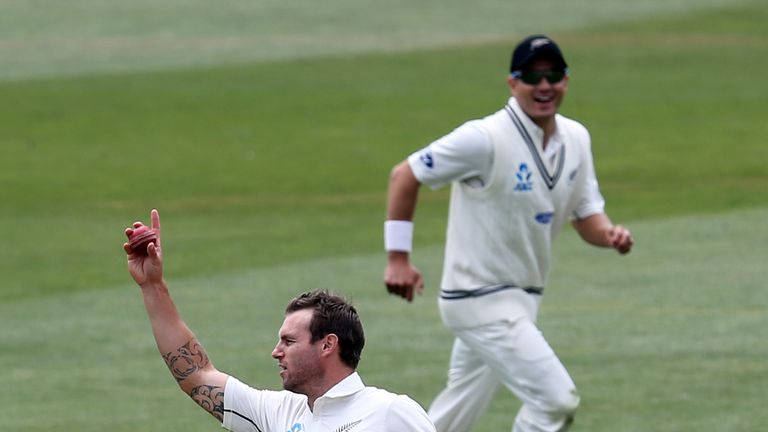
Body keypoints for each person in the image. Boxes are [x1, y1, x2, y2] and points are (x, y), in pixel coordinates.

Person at [383, 34, 634, 431]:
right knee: (555, 401)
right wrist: (398, 258)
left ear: (566, 80)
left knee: (451, 415)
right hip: (478, 298)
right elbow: (405, 175)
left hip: (522, 300)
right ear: (513, 83)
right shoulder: (483, 138)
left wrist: (610, 235)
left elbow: (586, 213)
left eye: (553, 75)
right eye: (532, 77)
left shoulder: (576, 139)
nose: (544, 86)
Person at [124, 209, 436, 432]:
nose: (276, 352)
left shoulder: (389, 412)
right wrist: (152, 286)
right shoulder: (278, 413)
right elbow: (196, 374)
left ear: (327, 345)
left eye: (289, 341)